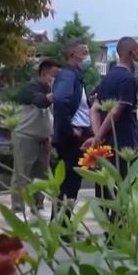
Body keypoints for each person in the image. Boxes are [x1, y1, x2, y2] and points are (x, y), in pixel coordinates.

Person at [85, 37, 138, 230]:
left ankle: (108, 231)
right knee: (122, 190)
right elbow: (116, 112)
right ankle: (118, 232)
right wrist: (99, 136)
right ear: (131, 53)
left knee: (105, 190)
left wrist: (98, 136)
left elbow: (94, 109)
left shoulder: (108, 78)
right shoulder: (127, 79)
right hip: (123, 143)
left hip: (106, 145)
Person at [11, 59, 60, 216]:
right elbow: (41, 102)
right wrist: (58, 93)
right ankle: (17, 209)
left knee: (41, 176)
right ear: (44, 74)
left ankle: (38, 207)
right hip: (26, 136)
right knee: (22, 174)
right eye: (54, 75)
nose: (57, 79)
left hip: (43, 139)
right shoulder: (30, 88)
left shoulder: (50, 90)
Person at [52, 40, 93, 223]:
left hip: (79, 135)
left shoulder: (76, 77)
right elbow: (60, 100)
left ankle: (62, 225)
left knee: (71, 185)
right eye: (84, 52)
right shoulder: (68, 75)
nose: (88, 56)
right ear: (72, 55)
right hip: (72, 139)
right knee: (68, 185)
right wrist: (70, 129)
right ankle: (61, 226)